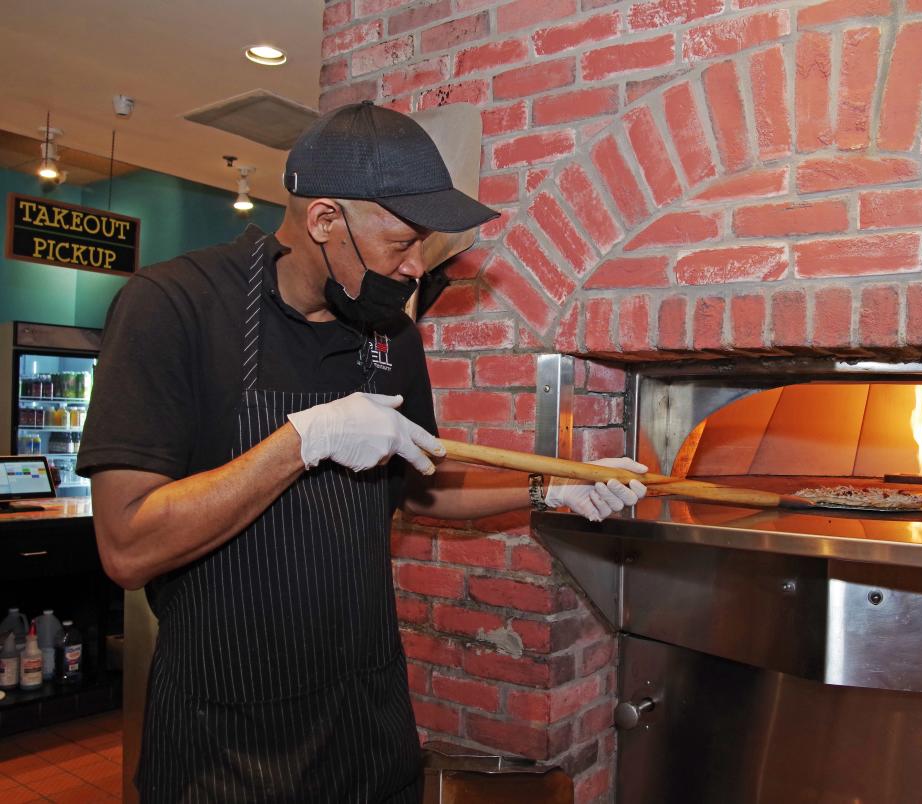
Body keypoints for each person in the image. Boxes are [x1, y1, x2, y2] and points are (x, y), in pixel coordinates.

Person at [77, 101, 648, 802]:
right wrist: (302, 441)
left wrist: (546, 488)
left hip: (368, 726)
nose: (414, 268)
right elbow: (128, 545)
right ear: (324, 221)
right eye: (402, 242)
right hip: (227, 740)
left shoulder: (390, 336)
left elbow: (419, 487)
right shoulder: (173, 307)